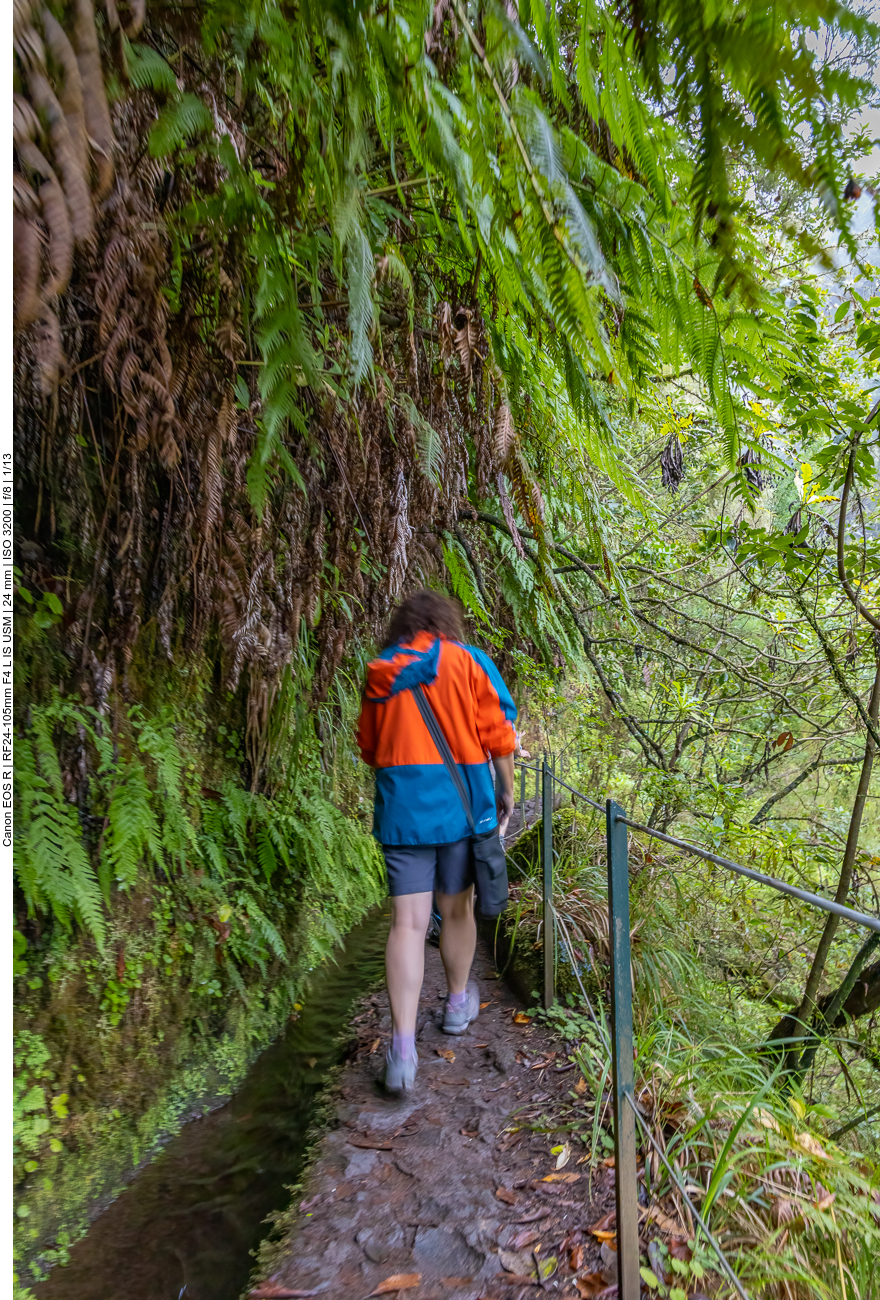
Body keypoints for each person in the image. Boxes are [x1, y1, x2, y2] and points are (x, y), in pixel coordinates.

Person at [356, 590, 517, 1095]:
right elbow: (499, 734)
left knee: (407, 922)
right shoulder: (470, 663)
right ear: (445, 622)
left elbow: (369, 747)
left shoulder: (380, 671)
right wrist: (506, 790)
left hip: (404, 813)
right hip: (462, 811)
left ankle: (402, 1049)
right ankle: (454, 1004)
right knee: (458, 909)